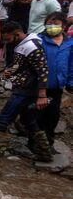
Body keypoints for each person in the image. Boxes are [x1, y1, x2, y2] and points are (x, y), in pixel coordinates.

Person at [0, 21, 52, 162]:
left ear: (17, 33)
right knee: (29, 121)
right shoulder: (22, 45)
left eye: (8, 38)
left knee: (3, 119)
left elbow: (43, 71)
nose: (7, 41)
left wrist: (42, 94)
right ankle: (45, 153)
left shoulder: (32, 46)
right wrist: (10, 71)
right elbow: (22, 65)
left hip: (26, 90)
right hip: (23, 87)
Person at [36, 12, 73, 148]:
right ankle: (36, 144)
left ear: (63, 26)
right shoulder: (39, 40)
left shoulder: (69, 43)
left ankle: (48, 143)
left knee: (53, 115)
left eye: (56, 23)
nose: (52, 26)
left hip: (57, 86)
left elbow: (71, 64)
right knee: (38, 115)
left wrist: (70, 82)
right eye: (49, 23)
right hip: (40, 85)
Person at [3, 0, 39, 66]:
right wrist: (14, 0)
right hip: (15, 20)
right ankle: (10, 69)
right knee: (11, 46)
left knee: (30, 47)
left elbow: (47, 1)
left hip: (32, 21)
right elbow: (5, 1)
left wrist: (33, 1)